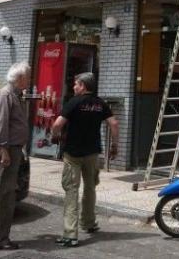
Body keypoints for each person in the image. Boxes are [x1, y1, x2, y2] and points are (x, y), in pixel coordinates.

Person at [51, 72, 118, 248]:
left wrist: (54, 136)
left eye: (76, 84)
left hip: (73, 154)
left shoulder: (73, 103)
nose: (74, 87)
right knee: (90, 188)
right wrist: (114, 146)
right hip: (92, 153)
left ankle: (70, 234)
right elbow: (114, 123)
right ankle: (89, 223)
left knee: (71, 191)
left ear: (83, 86)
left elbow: (57, 124)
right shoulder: (100, 103)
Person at [0, 61, 31, 250]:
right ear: (20, 78)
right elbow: (1, 125)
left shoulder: (16, 95)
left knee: (0, 193)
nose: (29, 80)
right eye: (28, 76)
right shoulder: (6, 95)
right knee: (5, 195)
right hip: (5, 149)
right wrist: (4, 151)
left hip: (11, 148)